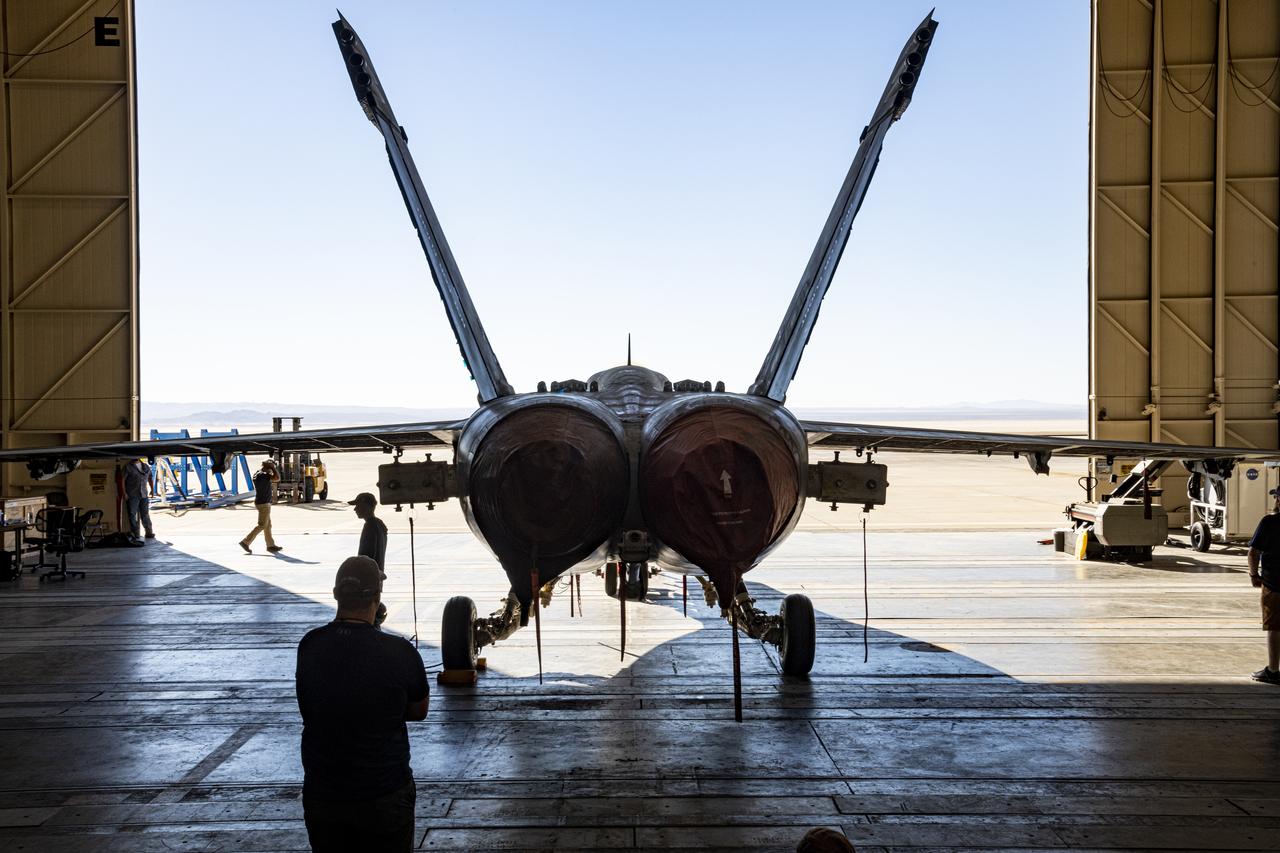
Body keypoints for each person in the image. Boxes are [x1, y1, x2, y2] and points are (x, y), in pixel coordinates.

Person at [296, 556, 428, 852]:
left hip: (324, 792)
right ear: (378, 600)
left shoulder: (310, 645)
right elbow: (419, 711)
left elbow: (309, 704)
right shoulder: (399, 652)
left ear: (335, 594)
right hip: (383, 792)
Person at [1247, 487, 1280, 685]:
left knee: (1275, 628)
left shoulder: (1269, 522)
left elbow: (1253, 552)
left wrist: (1253, 575)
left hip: (1274, 584)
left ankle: (1273, 671)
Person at [350, 492, 390, 626]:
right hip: (376, 578)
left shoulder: (370, 526)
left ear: (366, 506)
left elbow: (366, 557)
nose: (355, 509)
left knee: (367, 619)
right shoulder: (379, 524)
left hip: (368, 580)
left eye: (357, 505)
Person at [240, 459, 282, 554]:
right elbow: (277, 478)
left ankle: (270, 545)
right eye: (271, 468)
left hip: (261, 502)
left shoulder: (258, 474)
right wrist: (273, 468)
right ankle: (245, 542)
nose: (271, 471)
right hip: (264, 503)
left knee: (267, 525)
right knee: (262, 525)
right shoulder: (263, 475)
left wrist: (270, 467)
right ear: (268, 467)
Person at [122, 458, 154, 542]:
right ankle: (135, 533)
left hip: (144, 494)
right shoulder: (128, 467)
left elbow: (150, 477)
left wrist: (152, 490)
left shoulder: (146, 467)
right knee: (132, 514)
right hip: (132, 495)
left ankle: (149, 532)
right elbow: (122, 480)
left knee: (145, 513)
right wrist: (124, 493)